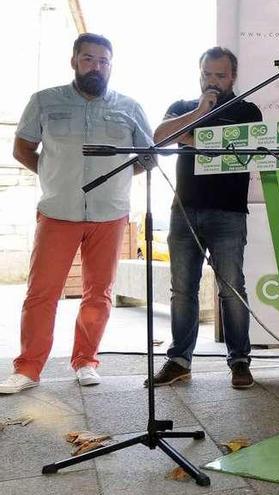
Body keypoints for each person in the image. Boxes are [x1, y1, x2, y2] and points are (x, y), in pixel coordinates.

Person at [0, 33, 153, 394]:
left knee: (98, 293)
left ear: (111, 65)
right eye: (88, 59)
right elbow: (22, 149)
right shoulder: (45, 101)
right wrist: (54, 177)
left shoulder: (129, 107)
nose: (95, 66)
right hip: (57, 211)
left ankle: (86, 360)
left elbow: (147, 156)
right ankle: (28, 368)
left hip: (109, 214)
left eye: (103, 61)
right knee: (41, 293)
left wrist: (114, 181)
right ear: (74, 61)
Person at [147, 47, 262, 389]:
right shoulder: (184, 107)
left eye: (220, 76)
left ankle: (240, 360)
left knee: (232, 289)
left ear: (233, 77)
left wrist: (192, 138)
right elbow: (161, 137)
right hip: (184, 210)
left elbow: (245, 145)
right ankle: (179, 360)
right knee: (182, 290)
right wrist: (199, 112)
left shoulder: (247, 110)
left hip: (227, 212)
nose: (212, 81)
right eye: (207, 75)